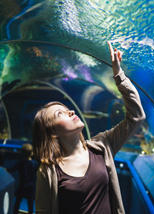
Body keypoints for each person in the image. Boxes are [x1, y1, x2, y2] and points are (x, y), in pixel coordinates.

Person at [32, 41, 146, 214]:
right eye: (59, 114)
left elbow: (137, 116)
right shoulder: (48, 171)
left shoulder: (102, 146)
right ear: (53, 133)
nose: (70, 111)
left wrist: (119, 75)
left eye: (67, 109)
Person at [8, 143, 38, 214]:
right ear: (31, 153)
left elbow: (11, 169)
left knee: (17, 202)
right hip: (31, 187)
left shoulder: (20, 163)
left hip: (22, 186)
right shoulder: (35, 164)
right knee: (30, 204)